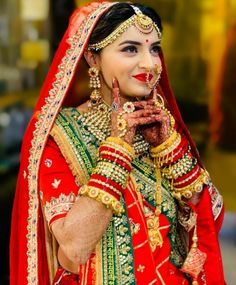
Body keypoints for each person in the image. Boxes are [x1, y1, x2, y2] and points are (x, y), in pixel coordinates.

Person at [10, 2, 225, 285]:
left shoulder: (161, 126)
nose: (149, 64)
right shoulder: (60, 134)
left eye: (155, 48)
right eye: (130, 49)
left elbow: (207, 220)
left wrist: (172, 151)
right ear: (92, 58)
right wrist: (116, 150)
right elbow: (74, 247)